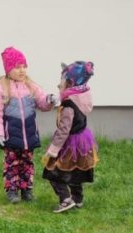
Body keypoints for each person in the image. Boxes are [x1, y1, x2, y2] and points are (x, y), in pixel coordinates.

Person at [0, 47, 56, 204]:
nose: (22, 70)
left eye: (24, 66)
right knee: (12, 164)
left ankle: (27, 190)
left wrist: (49, 100)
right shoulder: (0, 89)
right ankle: (12, 191)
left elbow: (42, 103)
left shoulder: (31, 86)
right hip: (11, 136)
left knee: (27, 164)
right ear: (8, 69)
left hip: (29, 136)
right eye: (17, 67)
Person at [43, 61, 98, 214]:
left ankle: (65, 199)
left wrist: (53, 149)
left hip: (70, 143)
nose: (59, 84)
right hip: (83, 140)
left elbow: (64, 130)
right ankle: (78, 199)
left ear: (70, 83)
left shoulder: (68, 105)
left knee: (53, 171)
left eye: (62, 80)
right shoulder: (81, 97)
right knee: (76, 171)